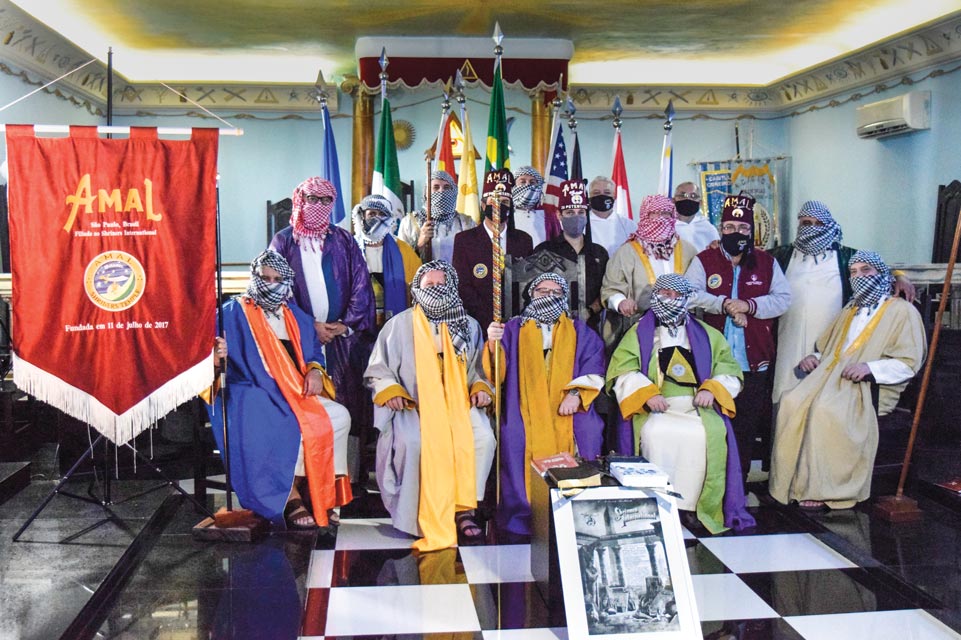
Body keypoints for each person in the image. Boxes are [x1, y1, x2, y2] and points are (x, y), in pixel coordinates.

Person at [769, 251, 925, 511]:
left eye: (867, 271)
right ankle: (792, 482)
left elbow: (908, 363)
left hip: (867, 386)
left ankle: (825, 488)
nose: (859, 277)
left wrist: (869, 367)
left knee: (824, 411)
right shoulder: (851, 309)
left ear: (881, 274)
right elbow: (831, 347)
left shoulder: (902, 311)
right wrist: (814, 357)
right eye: (854, 272)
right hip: (829, 376)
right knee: (791, 402)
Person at [208, 250, 351, 529]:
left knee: (339, 416)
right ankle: (288, 497)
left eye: (277, 279)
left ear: (287, 282)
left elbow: (314, 354)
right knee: (285, 424)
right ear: (253, 277)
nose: (270, 284)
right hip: (250, 391)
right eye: (264, 278)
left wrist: (314, 371)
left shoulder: (295, 315)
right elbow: (205, 357)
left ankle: (317, 491)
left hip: (293, 390)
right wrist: (216, 356)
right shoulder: (230, 314)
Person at [606, 274, 754, 533]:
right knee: (655, 433)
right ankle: (656, 505)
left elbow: (730, 370)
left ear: (687, 300)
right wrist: (646, 394)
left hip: (698, 407)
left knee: (702, 436)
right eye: (664, 294)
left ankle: (692, 507)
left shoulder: (709, 334)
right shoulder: (639, 333)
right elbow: (622, 370)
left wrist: (712, 389)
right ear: (654, 297)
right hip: (657, 407)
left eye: (677, 296)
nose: (670, 301)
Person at [364, 260, 496, 550]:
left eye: (441, 285)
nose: (436, 290)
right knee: (414, 443)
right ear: (416, 290)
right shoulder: (398, 326)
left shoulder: (468, 325)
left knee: (483, 438)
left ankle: (463, 510)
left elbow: (479, 370)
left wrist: (481, 388)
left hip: (458, 404)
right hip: (414, 406)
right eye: (429, 285)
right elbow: (378, 370)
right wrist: (392, 390)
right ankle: (414, 516)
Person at [269, 177, 376, 479]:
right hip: (299, 341)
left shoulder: (343, 240)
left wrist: (343, 325)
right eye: (311, 199)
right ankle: (305, 478)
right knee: (306, 404)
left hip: (342, 339)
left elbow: (360, 284)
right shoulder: (283, 241)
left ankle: (345, 479)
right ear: (300, 201)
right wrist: (309, 327)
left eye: (325, 200)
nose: (317, 206)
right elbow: (276, 290)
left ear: (333, 204)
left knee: (347, 402)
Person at [486, 272, 606, 535]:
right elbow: (497, 373)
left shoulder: (579, 330)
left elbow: (595, 365)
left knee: (589, 431)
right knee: (513, 435)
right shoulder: (514, 328)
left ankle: (578, 507)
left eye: (556, 293)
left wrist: (576, 394)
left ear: (564, 298)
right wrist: (494, 345)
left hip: (569, 407)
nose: (549, 297)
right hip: (523, 407)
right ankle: (523, 510)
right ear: (531, 294)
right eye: (542, 291)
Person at [686, 192, 791, 482]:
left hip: (753, 361)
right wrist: (723, 304)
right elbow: (690, 294)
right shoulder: (704, 260)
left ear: (752, 231)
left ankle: (738, 485)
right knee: (712, 424)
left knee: (745, 427)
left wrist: (750, 306)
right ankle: (708, 481)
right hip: (713, 362)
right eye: (730, 228)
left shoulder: (767, 263)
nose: (736, 233)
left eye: (743, 229)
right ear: (721, 229)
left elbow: (783, 299)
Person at [770, 200, 916, 406]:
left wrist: (900, 276)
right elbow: (748, 262)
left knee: (821, 400)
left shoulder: (846, 256)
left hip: (828, 342)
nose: (811, 228)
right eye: (805, 223)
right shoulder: (782, 255)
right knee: (784, 395)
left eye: (817, 223)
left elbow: (874, 267)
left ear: (829, 224)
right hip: (787, 339)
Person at [601, 194, 697, 343]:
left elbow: (698, 287)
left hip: (683, 328)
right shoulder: (626, 251)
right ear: (646, 216)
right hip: (640, 327)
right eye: (655, 213)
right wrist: (621, 302)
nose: (660, 218)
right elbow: (610, 289)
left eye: (665, 213)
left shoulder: (688, 250)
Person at [452, 169, 534, 334]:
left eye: (504, 202)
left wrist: (514, 321)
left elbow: (528, 282)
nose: (498, 206)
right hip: (479, 324)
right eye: (493, 201)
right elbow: (463, 286)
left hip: (517, 324)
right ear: (483, 205)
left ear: (510, 206)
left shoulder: (524, 240)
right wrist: (489, 321)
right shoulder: (464, 240)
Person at [533, 179, 609, 330]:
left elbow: (607, 288)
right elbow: (533, 290)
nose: (576, 217)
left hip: (591, 327)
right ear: (559, 215)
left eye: (581, 212)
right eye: (569, 212)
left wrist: (589, 311)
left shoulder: (599, 253)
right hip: (552, 327)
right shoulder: (544, 250)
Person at [351, 194, 421, 328]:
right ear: (362, 216)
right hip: (358, 323)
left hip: (395, 323)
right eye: (371, 213)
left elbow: (417, 288)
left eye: (382, 214)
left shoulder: (403, 249)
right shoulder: (350, 248)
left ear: (389, 218)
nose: (377, 218)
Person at [397, 169, 476, 263]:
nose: (441, 192)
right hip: (423, 277)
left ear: (453, 192)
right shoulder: (410, 223)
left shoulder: (466, 223)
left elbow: (475, 256)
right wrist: (419, 244)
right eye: (436, 187)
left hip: (458, 276)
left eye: (446, 187)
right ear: (426, 193)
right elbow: (400, 260)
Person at [511, 165, 560, 245]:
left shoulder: (549, 216)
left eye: (532, 182)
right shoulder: (507, 215)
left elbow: (557, 243)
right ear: (514, 186)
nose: (527, 185)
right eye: (523, 182)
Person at [587, 175, 635, 257]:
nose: (602, 196)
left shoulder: (629, 225)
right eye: (596, 193)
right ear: (589, 196)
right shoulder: (582, 223)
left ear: (614, 196)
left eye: (607, 192)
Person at [672, 182, 719, 252]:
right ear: (673, 201)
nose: (688, 199)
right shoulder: (667, 228)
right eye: (682, 195)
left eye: (693, 196)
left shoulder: (708, 228)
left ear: (700, 203)